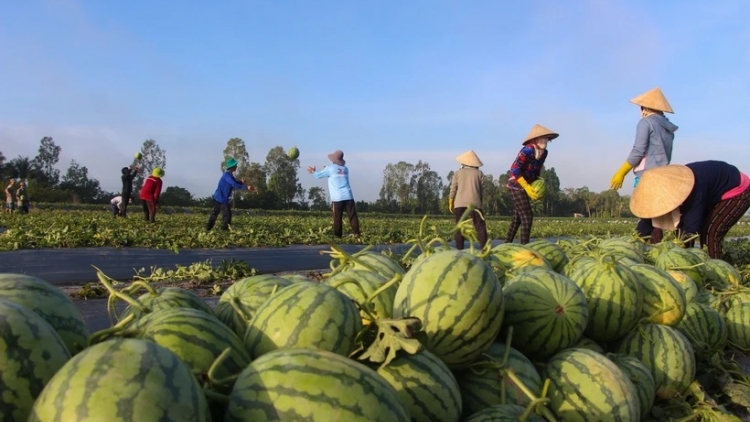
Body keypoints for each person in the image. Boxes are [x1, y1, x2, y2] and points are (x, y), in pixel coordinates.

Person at [629, 161, 750, 259]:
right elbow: (647, 220)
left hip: (738, 190)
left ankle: (716, 273)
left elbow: (692, 226)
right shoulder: (660, 191)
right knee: (681, 232)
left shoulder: (692, 186)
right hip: (711, 192)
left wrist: (680, 254)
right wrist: (634, 243)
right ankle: (695, 261)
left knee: (711, 232)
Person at [610, 87, 678, 243]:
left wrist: (622, 171)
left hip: (648, 176)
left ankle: (636, 248)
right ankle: (654, 254)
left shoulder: (645, 123)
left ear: (645, 108)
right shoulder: (668, 128)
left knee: (646, 217)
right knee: (656, 220)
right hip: (663, 175)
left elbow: (638, 150)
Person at [505, 124, 559, 244]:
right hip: (516, 185)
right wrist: (526, 186)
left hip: (528, 185)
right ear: (535, 139)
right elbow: (514, 168)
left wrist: (538, 181)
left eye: (546, 138)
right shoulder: (528, 150)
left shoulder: (544, 153)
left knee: (517, 219)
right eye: (542, 138)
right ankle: (525, 246)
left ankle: (506, 245)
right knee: (527, 217)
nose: (545, 140)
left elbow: (536, 170)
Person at [307, 150, 361, 240]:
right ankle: (357, 235)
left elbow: (318, 176)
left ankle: (338, 237)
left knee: (337, 217)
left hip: (337, 198)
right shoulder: (345, 169)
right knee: (352, 216)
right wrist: (327, 169)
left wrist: (313, 171)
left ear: (333, 159)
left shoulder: (330, 168)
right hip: (349, 196)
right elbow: (336, 172)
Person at [448, 150, 488, 250]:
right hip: (475, 203)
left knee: (459, 227)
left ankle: (459, 250)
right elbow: (482, 189)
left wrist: (451, 200)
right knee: (480, 227)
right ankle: (484, 249)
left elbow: (453, 188)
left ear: (463, 163)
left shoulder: (458, 173)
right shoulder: (479, 173)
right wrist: (480, 202)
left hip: (460, 203)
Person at [206, 158, 254, 231]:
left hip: (219, 198)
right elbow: (234, 184)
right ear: (233, 167)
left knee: (215, 214)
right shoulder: (227, 175)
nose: (236, 167)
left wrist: (241, 182)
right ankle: (224, 230)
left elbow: (235, 183)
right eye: (236, 166)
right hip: (221, 199)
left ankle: (208, 229)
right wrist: (246, 187)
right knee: (226, 214)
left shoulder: (229, 175)